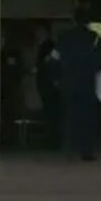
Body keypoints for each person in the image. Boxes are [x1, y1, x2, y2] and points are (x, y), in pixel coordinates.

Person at [56, 5, 101, 161]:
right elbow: (100, 62)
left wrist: (58, 77)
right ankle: (86, 150)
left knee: (69, 116)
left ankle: (68, 149)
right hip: (87, 83)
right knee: (87, 117)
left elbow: (55, 59)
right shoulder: (94, 38)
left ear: (73, 20)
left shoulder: (64, 37)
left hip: (68, 82)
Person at [34, 21, 61, 150]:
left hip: (48, 84)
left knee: (51, 113)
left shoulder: (49, 46)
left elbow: (49, 64)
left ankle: (53, 140)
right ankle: (51, 139)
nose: (37, 34)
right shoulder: (44, 46)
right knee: (50, 112)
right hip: (47, 84)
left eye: (40, 31)